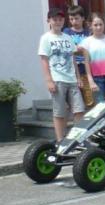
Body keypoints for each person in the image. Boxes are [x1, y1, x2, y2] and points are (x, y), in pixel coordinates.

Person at [38, 8, 85, 142]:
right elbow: (44, 60)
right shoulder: (46, 38)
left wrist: (78, 77)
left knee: (79, 109)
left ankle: (78, 139)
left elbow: (73, 58)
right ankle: (60, 140)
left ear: (63, 21)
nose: (58, 22)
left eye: (60, 19)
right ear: (49, 21)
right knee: (60, 111)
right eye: (55, 19)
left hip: (72, 80)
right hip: (57, 79)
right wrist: (48, 80)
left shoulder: (68, 37)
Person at [63, 5, 93, 108]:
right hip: (72, 68)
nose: (74, 21)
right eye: (71, 19)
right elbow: (69, 49)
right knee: (76, 97)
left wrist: (80, 49)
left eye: (76, 18)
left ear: (83, 18)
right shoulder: (67, 32)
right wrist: (78, 49)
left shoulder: (87, 32)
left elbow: (89, 48)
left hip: (86, 67)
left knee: (89, 97)